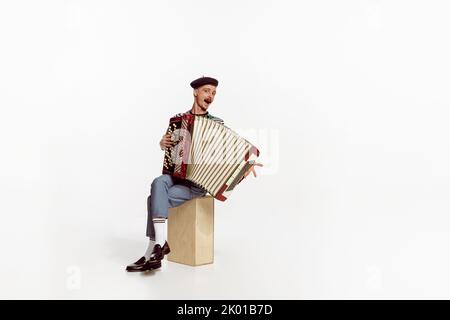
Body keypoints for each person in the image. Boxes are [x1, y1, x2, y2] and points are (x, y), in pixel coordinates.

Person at [126, 76, 263, 272]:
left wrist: (245, 166)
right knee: (159, 182)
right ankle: (158, 247)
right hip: (176, 177)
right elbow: (170, 149)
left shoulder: (217, 124)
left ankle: (151, 252)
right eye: (207, 91)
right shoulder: (178, 120)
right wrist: (162, 143)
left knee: (153, 198)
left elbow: (231, 153)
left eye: (214, 93)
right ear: (195, 92)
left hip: (197, 185)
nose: (210, 96)